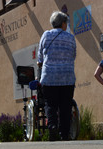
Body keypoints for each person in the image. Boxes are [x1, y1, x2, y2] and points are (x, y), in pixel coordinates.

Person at [37, 11, 76, 141]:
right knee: (65, 106)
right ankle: (64, 134)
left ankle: (52, 126)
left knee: (50, 104)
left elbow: (40, 57)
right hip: (67, 77)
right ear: (64, 23)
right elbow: (73, 55)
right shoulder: (70, 37)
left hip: (50, 77)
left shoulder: (46, 35)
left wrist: (42, 62)